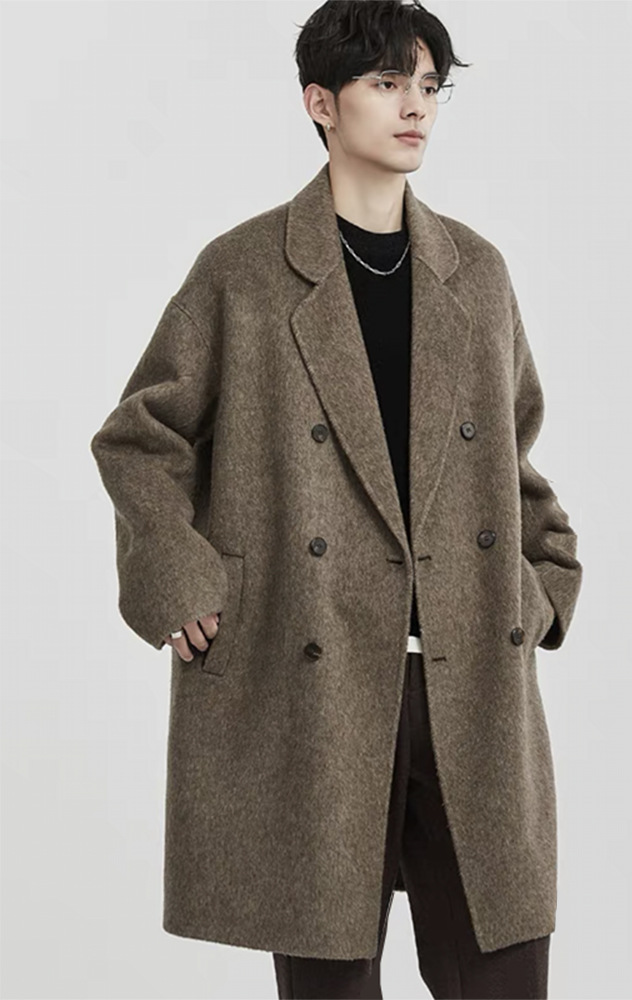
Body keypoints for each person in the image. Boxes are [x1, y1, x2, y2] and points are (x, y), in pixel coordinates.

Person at [90, 2, 583, 997]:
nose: (416, 107)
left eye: (429, 86)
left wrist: (543, 583)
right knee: (331, 981)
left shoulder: (476, 273)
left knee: (505, 975)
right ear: (321, 103)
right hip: (310, 677)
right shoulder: (243, 271)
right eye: (387, 84)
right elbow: (141, 438)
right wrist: (179, 577)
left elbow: (512, 449)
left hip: (469, 679)